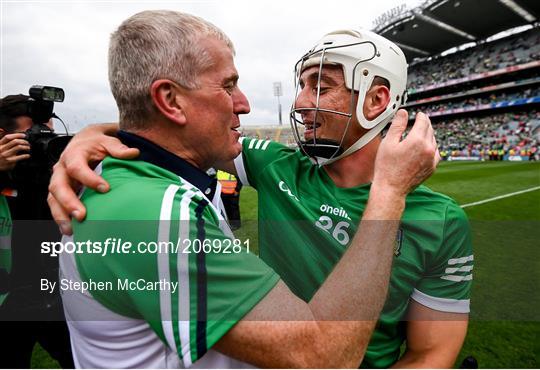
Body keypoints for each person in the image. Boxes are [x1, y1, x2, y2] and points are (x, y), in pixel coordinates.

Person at [47, 13, 442, 368]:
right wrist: (389, 193)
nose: (245, 104)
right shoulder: (159, 211)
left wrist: (97, 132)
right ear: (170, 100)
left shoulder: (163, 177)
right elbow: (323, 356)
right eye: (228, 86)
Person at [0, 96, 74, 368]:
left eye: (49, 135)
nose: (42, 142)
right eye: (32, 136)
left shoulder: (55, 176)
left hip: (53, 297)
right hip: (7, 305)